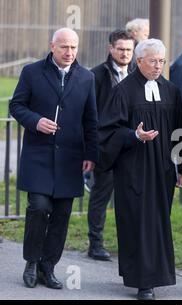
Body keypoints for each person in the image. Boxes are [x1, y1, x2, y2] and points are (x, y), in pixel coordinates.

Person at [9, 28, 98, 289]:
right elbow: (16, 106)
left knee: (61, 213)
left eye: (73, 47)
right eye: (64, 47)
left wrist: (91, 154)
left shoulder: (86, 77)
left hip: (71, 157)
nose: (69, 52)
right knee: (38, 207)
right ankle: (32, 261)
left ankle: (48, 267)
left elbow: (91, 119)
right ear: (52, 46)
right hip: (38, 154)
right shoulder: (32, 72)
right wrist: (36, 121)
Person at [98, 38, 182, 300]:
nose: (158, 66)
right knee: (137, 221)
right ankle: (142, 281)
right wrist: (133, 136)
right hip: (134, 169)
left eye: (161, 61)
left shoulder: (171, 91)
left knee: (158, 221)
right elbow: (108, 131)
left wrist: (180, 166)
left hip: (164, 170)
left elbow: (180, 132)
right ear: (138, 61)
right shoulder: (123, 91)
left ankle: (158, 276)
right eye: (152, 61)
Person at [86, 30, 134, 261]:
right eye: (121, 49)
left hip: (132, 147)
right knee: (100, 196)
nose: (125, 53)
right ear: (110, 48)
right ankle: (95, 243)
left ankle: (129, 244)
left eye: (129, 49)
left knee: (130, 199)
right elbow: (89, 114)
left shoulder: (137, 73)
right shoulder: (97, 75)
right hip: (105, 147)